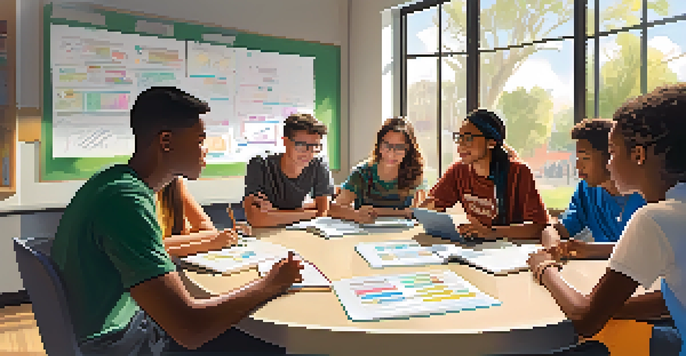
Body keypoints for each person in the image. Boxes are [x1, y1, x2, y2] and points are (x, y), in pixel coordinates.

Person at [50, 86, 303, 356]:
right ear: (166, 141)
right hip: (119, 344)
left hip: (125, 327)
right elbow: (189, 329)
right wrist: (273, 282)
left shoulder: (116, 183)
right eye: (199, 140)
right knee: (273, 344)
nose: (206, 151)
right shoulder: (125, 200)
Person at [526, 83, 686, 356]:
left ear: (639, 155)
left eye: (612, 152)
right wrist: (607, 305)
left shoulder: (655, 218)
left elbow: (585, 319)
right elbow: (673, 299)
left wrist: (544, 269)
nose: (610, 164)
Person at [420, 109, 549, 240]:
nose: (460, 145)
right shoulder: (458, 170)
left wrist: (492, 233)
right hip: (477, 248)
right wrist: (424, 209)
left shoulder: (519, 172)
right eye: (459, 138)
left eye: (469, 138)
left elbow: (539, 227)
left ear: (491, 142)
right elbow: (431, 206)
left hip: (511, 250)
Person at [541, 118, 647, 252]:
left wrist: (590, 250)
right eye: (578, 159)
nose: (578, 166)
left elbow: (645, 249)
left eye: (585, 158)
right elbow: (557, 228)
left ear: (611, 155)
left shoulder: (646, 193)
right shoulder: (586, 189)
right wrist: (553, 245)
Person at [242, 113, 334, 228]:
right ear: (285, 142)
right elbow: (256, 219)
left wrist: (275, 213)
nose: (309, 153)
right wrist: (309, 211)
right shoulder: (260, 164)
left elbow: (323, 213)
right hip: (265, 235)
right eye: (301, 145)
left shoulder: (319, 163)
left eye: (315, 146)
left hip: (301, 233)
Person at [329, 117, 425, 224]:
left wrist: (376, 211)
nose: (391, 153)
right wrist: (355, 215)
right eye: (386, 145)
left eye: (399, 147)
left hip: (401, 235)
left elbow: (417, 212)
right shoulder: (362, 173)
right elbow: (333, 208)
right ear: (379, 146)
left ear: (408, 150)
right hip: (364, 235)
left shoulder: (415, 173)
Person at [156, 176, 251, 258]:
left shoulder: (174, 183)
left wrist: (212, 240)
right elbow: (153, 247)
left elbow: (209, 230)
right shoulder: (143, 194)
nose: (204, 155)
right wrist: (208, 243)